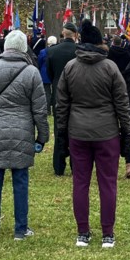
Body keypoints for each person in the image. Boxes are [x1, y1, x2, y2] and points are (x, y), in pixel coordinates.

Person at [55, 19, 130, 249]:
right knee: (107, 184)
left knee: (80, 183)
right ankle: (107, 233)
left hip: (78, 132)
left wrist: (62, 133)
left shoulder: (70, 68)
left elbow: (62, 104)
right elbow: (122, 104)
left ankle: (83, 232)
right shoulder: (110, 68)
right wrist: (126, 132)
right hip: (106, 133)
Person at [0, 30, 49, 241]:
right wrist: (42, 137)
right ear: (24, 47)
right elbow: (40, 110)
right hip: (22, 131)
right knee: (20, 181)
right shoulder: (31, 72)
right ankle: (20, 229)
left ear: (5, 46)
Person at [47, 23, 80, 176]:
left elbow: (49, 72)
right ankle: (75, 164)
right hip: (76, 95)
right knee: (75, 132)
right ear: (75, 35)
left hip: (58, 95)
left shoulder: (52, 51)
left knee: (59, 129)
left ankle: (58, 165)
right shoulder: (79, 52)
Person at [37, 35, 57, 116]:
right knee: (55, 92)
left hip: (45, 74)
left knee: (47, 92)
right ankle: (55, 109)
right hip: (55, 72)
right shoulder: (57, 51)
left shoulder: (43, 51)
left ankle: (48, 110)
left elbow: (39, 62)